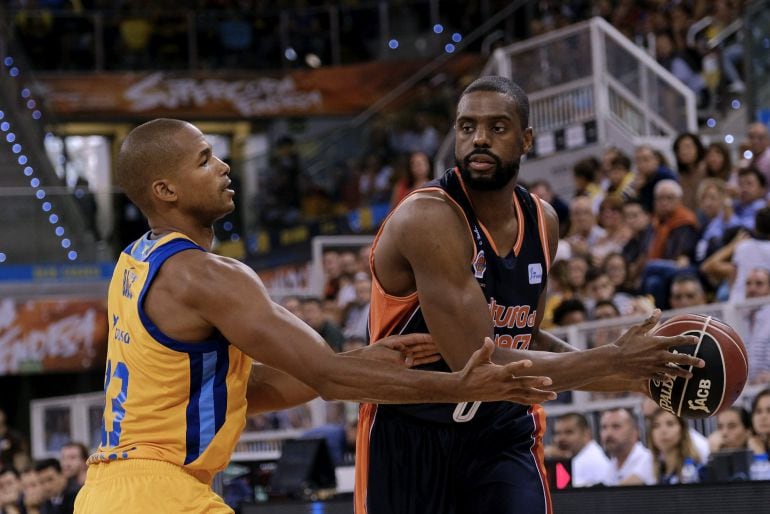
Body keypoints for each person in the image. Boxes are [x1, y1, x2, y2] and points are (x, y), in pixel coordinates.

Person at [73, 118, 557, 514]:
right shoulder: (206, 276)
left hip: (104, 493)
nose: (223, 166)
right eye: (204, 160)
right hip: (160, 495)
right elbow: (329, 378)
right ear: (166, 190)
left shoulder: (133, 264)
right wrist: (459, 387)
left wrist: (361, 359)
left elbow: (249, 391)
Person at [355, 77, 701, 514]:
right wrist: (613, 360)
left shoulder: (543, 221)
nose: (479, 138)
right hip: (411, 431)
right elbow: (478, 363)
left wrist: (634, 377)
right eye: (466, 127)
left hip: (501, 429)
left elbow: (526, 339)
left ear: (526, 139)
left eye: (497, 127)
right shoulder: (429, 217)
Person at [549, 412, 611, 487]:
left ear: (586, 434)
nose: (561, 438)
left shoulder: (590, 459)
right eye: (557, 433)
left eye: (569, 432)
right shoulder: (576, 456)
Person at [600, 408, 655, 486]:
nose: (608, 433)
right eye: (604, 427)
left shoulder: (648, 459)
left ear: (635, 432)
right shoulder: (611, 465)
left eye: (616, 426)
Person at [647, 408, 702, 484]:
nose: (663, 431)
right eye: (656, 425)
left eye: (670, 424)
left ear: (682, 430)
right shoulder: (652, 471)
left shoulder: (696, 470)